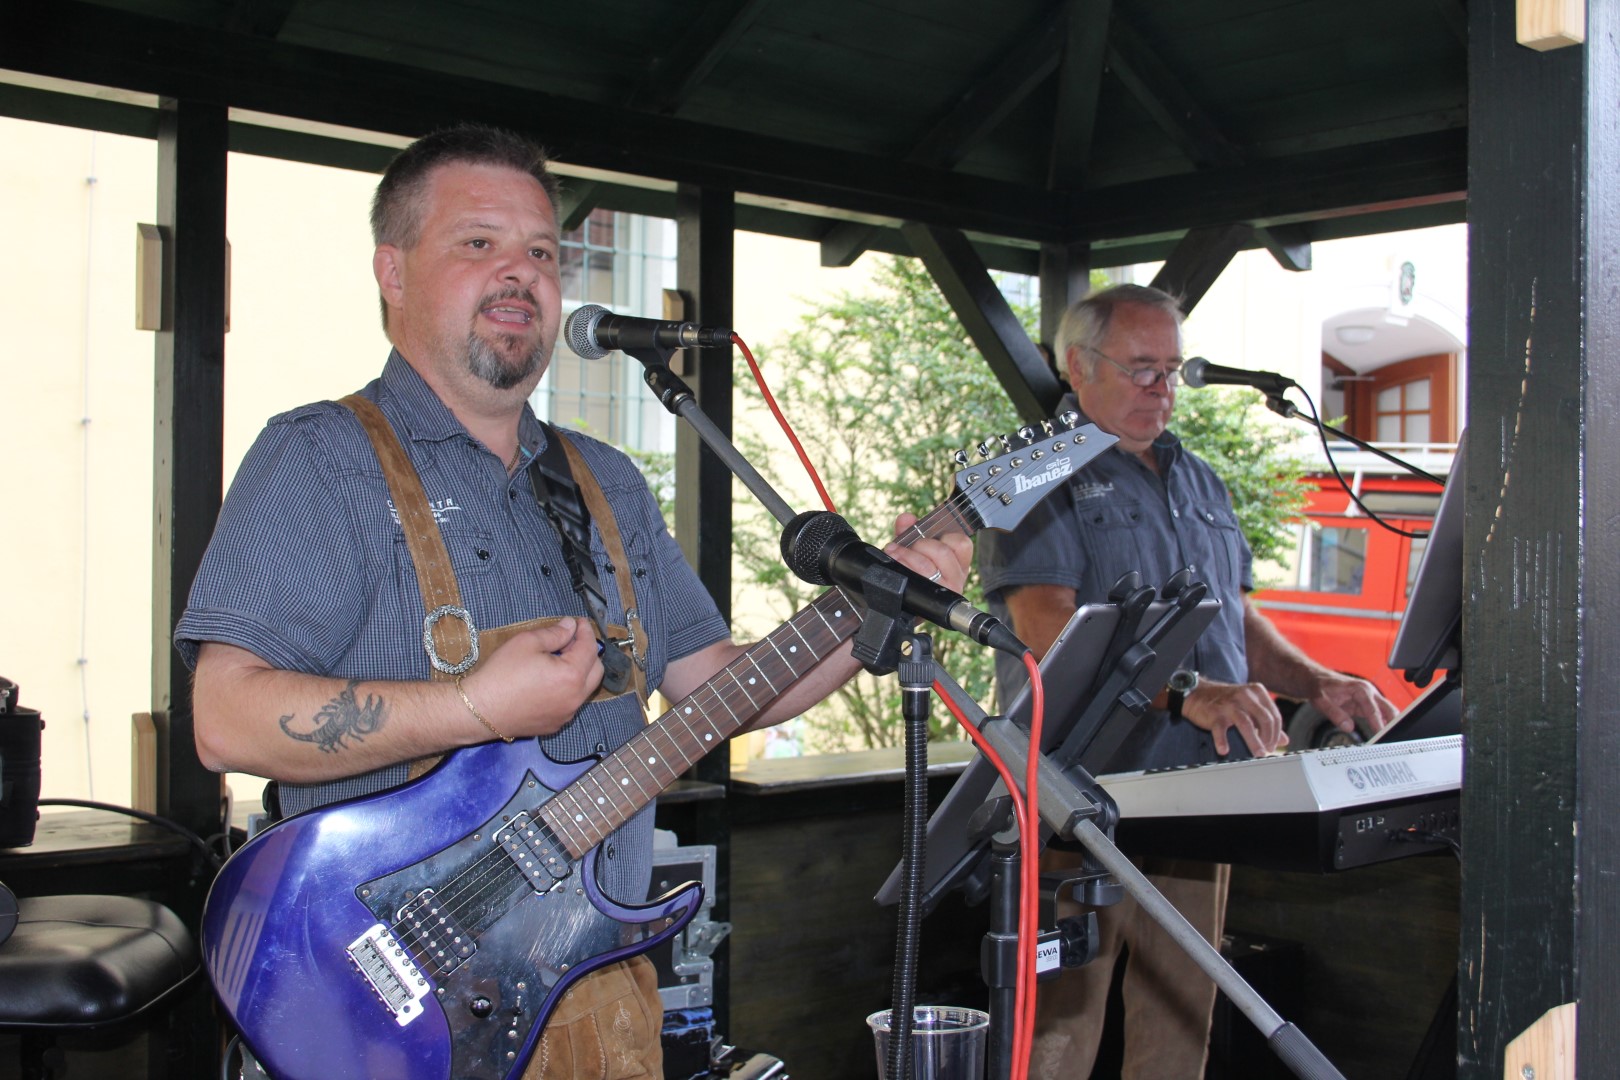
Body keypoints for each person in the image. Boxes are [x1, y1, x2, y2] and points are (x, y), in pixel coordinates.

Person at [175, 123, 969, 1080]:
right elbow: (224, 718)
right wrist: (475, 708)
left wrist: (877, 609)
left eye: (542, 252)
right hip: (373, 1007)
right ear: (392, 271)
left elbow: (714, 686)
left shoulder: (608, 483)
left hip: (599, 995)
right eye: (479, 244)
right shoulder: (318, 459)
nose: (522, 274)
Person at [976, 284, 1398, 1079]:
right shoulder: (1022, 471)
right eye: (1141, 369)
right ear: (1077, 364)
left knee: (1182, 1028)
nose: (1162, 389)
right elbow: (1046, 630)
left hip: (1200, 796)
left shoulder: (1199, 477)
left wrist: (1319, 682)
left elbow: (1236, 625)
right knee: (1059, 1032)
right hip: (1078, 800)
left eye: (1172, 370)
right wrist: (1188, 691)